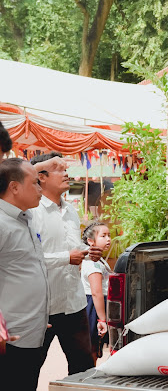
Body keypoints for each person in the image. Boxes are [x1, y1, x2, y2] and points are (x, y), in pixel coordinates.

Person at [30, 151, 100, 375]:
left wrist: (88, 252)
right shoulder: (31, 211)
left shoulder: (70, 210)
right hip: (43, 307)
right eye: (58, 169)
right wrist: (66, 258)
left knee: (83, 367)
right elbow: (28, 257)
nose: (66, 173)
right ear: (41, 176)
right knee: (28, 369)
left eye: (65, 168)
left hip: (74, 303)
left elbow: (73, 246)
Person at [0, 158, 49, 390]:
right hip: (8, 340)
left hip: (30, 333)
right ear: (14, 187)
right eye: (35, 183)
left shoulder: (25, 219)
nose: (40, 190)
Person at [80, 221, 111, 362]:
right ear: (91, 241)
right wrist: (102, 319)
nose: (108, 239)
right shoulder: (93, 263)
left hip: (98, 305)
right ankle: (89, 374)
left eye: (109, 235)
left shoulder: (100, 260)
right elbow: (96, 292)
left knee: (95, 347)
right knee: (92, 346)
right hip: (94, 306)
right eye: (103, 236)